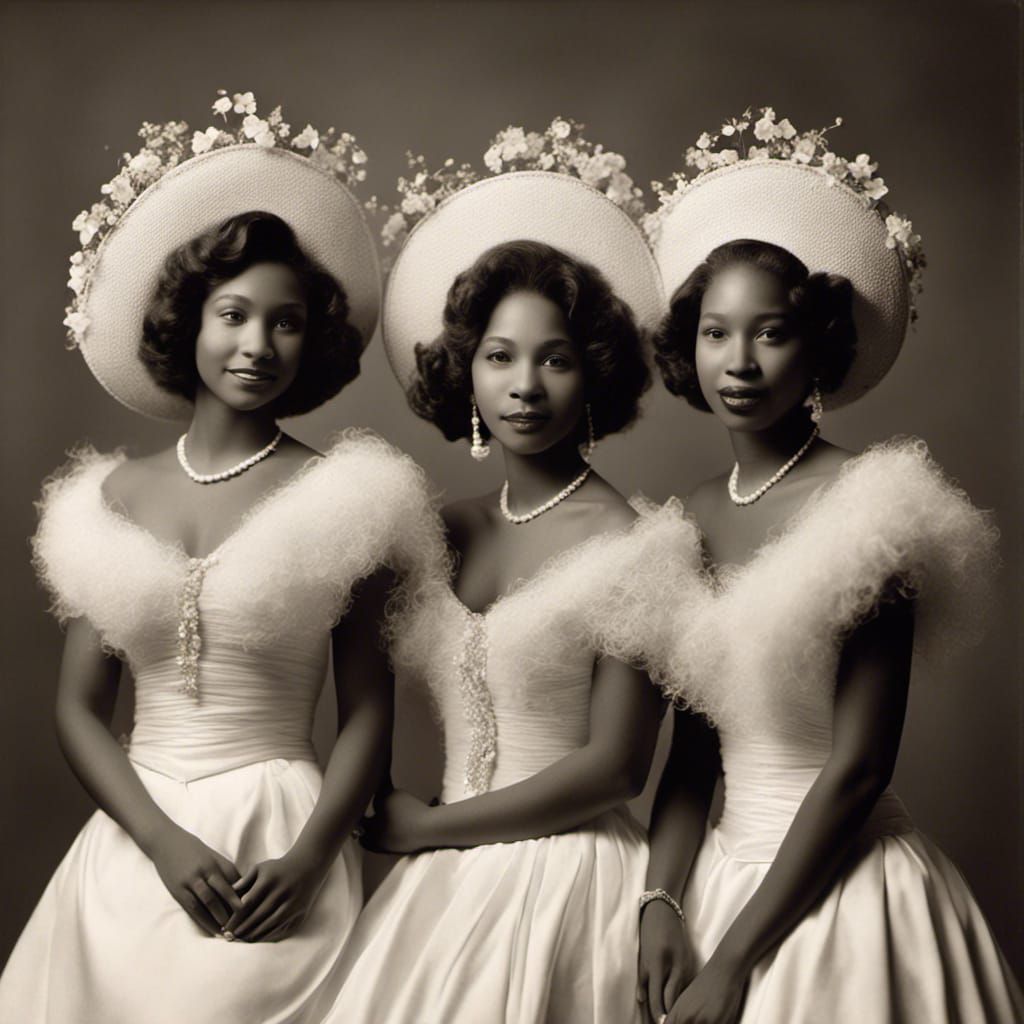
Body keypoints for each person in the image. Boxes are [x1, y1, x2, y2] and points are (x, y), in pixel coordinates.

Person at [0, 96, 440, 1024]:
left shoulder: (352, 496)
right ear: (188, 323)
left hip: (281, 838)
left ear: (312, 338)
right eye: (233, 315)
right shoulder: (106, 498)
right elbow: (79, 709)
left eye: (286, 323)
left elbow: (368, 712)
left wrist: (313, 855)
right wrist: (159, 841)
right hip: (137, 841)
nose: (256, 346)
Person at [638, 110, 1023, 1023]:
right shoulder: (684, 519)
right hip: (717, 879)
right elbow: (691, 752)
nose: (739, 362)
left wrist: (734, 962)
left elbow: (859, 766)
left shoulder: (874, 505)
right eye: (716, 333)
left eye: (770, 333)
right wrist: (660, 899)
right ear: (690, 346)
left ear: (815, 345)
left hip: (842, 887)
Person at [315, 123, 700, 1023]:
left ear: (593, 375)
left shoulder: (635, 544)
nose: (525, 384)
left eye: (554, 359)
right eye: (500, 356)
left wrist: (429, 828)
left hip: (570, 881)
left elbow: (617, 768)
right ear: (468, 373)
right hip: (441, 886)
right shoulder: (432, 533)